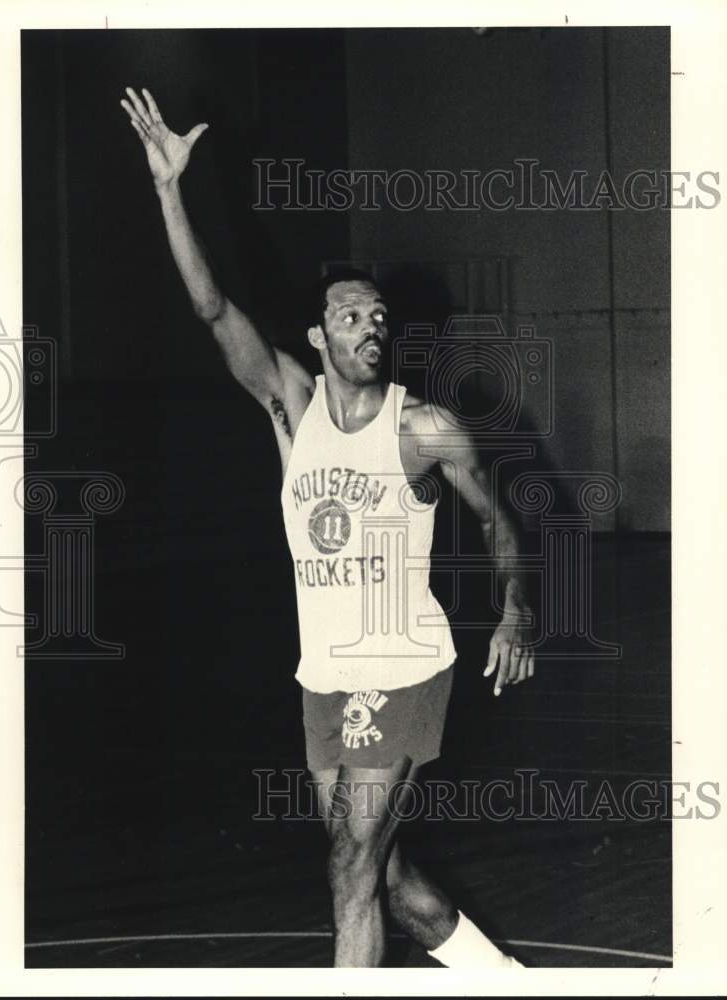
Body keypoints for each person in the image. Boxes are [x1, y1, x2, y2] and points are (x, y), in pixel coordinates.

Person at [121, 86, 535, 969]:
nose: (370, 325)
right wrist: (169, 190)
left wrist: (516, 610)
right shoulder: (289, 408)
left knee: (350, 867)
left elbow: (503, 521)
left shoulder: (422, 428)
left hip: (403, 664)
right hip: (325, 671)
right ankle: (505, 980)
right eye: (351, 315)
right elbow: (212, 311)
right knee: (380, 877)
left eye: (380, 316)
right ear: (317, 337)